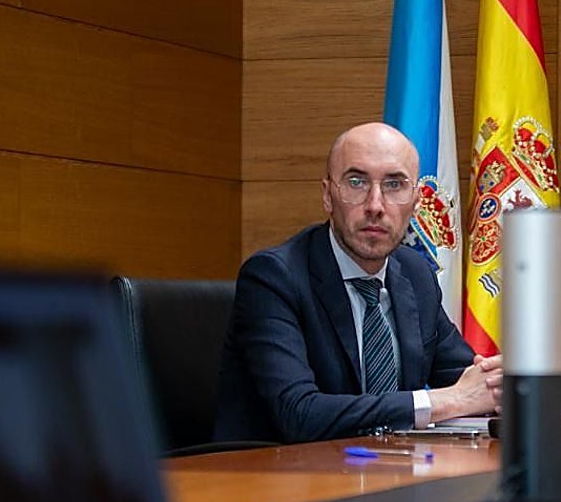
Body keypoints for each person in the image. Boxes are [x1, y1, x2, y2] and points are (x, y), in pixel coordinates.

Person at [214, 122, 501, 444]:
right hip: (280, 479)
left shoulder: (414, 273)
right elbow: (299, 414)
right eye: (356, 182)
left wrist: (505, 386)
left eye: (394, 184)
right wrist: (444, 401)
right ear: (327, 196)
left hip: (389, 472)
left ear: (417, 202)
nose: (375, 205)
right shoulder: (274, 277)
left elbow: (466, 379)